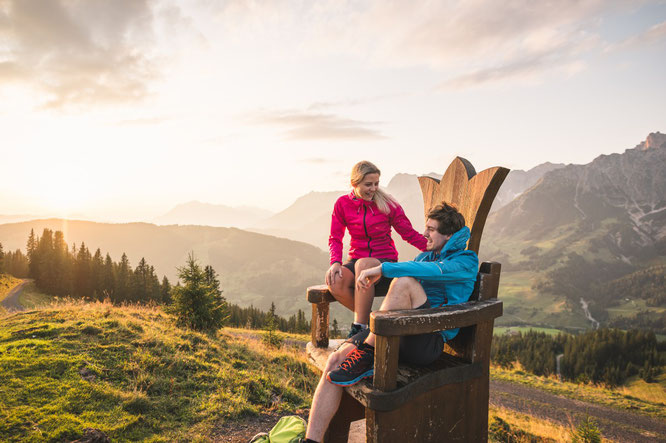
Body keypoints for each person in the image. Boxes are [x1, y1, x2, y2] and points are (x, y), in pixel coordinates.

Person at [304, 203, 478, 443]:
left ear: (449, 235)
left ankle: (368, 350)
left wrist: (382, 268)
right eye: (425, 228)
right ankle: (311, 440)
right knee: (335, 360)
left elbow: (431, 272)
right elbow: (415, 274)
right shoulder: (426, 255)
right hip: (396, 331)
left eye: (431, 229)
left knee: (405, 281)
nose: (424, 234)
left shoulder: (466, 261)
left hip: (426, 341)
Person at [325, 161, 427, 338]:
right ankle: (372, 323)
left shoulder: (388, 204)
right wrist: (335, 262)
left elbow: (408, 233)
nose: (373, 189)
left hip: (383, 261)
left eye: (376, 184)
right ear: (354, 184)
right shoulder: (342, 204)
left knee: (364, 265)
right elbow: (335, 238)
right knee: (335, 280)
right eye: (368, 184)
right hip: (355, 259)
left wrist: (435, 249)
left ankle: (358, 327)